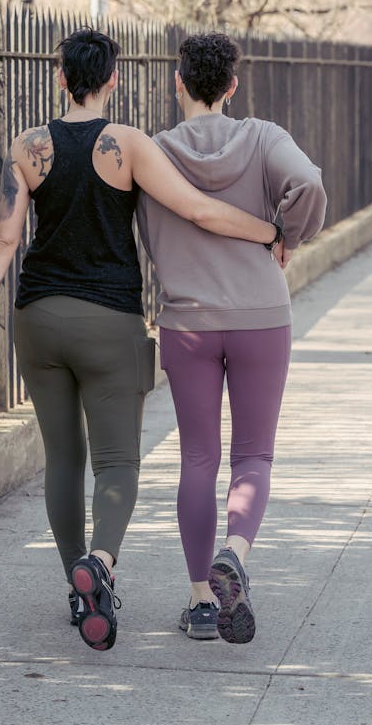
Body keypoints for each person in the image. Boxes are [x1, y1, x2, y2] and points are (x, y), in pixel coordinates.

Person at [0, 28, 281, 653]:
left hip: (38, 319)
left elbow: (3, 239)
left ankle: (82, 592)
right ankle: (100, 561)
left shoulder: (25, 147)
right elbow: (198, 211)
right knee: (116, 462)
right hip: (110, 323)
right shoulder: (128, 145)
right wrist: (267, 232)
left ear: (59, 77)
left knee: (63, 458)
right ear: (114, 80)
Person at [136, 32, 327, 644]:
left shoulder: (153, 153)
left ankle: (198, 602)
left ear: (177, 81)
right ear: (233, 86)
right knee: (254, 455)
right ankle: (236, 553)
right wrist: (286, 237)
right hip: (261, 317)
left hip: (186, 321)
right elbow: (311, 185)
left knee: (197, 457)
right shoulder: (265, 138)